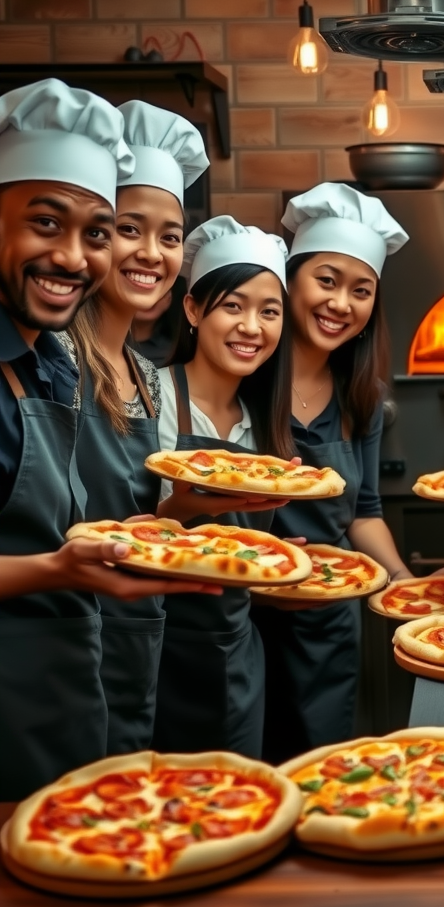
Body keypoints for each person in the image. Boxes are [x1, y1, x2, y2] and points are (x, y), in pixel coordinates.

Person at [0, 79, 218, 801]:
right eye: (45, 223)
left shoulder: (50, 364)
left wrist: (194, 511)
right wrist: (62, 570)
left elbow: (95, 531)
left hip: (80, 678)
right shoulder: (58, 361)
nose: (72, 256)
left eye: (92, 231)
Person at [253, 183, 444, 761]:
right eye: (326, 280)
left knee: (321, 770)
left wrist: (402, 579)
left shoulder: (360, 396)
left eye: (360, 290)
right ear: (290, 280)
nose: (341, 303)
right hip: (245, 615)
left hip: (328, 622)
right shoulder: (247, 378)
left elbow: (363, 512)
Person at [56, 100, 214, 755]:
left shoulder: (149, 378)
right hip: (62, 647)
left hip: (138, 640)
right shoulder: (52, 362)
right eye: (129, 229)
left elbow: (147, 517)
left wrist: (207, 501)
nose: (152, 253)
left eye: (171, 236)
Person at [152, 216, 294, 758]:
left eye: (269, 311)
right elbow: (112, 533)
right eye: (233, 305)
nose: (251, 327)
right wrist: (177, 510)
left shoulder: (265, 423)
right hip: (160, 646)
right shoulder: (152, 399)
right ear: (192, 308)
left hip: (237, 648)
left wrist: (278, 566)